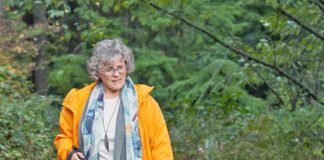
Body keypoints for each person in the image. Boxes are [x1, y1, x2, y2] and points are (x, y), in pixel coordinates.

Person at [54, 39, 173, 160]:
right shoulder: (78, 100)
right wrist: (70, 152)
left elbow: (161, 147)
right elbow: (64, 137)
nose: (116, 74)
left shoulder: (145, 103)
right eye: (109, 69)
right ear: (98, 72)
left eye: (120, 67)